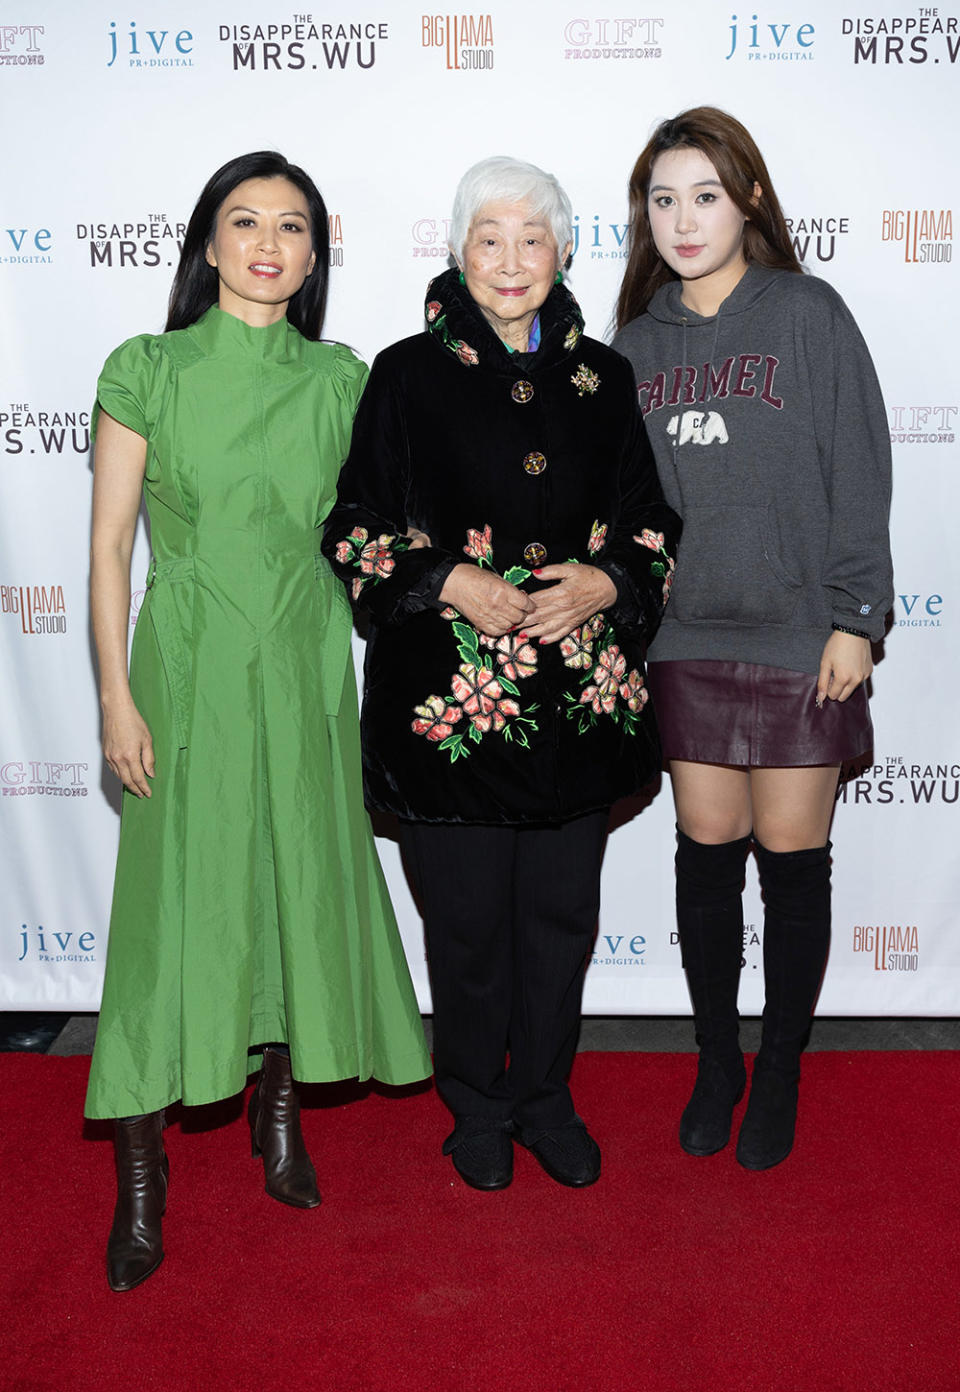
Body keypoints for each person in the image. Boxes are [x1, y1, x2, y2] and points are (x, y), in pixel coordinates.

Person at [86, 151, 430, 1291]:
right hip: (185, 665)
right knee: (170, 911)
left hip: (304, 663)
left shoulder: (343, 379)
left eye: (293, 226)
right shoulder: (148, 368)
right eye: (246, 222)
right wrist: (112, 696)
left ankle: (277, 1114)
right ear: (207, 242)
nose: (269, 243)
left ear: (317, 252)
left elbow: (384, 525)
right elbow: (106, 549)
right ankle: (142, 1179)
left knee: (293, 885)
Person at [323, 156, 680, 1192]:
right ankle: (475, 1105)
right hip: (451, 720)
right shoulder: (403, 374)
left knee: (563, 920)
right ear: (458, 253)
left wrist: (609, 584)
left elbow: (655, 521)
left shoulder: (605, 379)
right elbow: (353, 526)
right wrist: (447, 581)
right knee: (469, 925)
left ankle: (546, 1097)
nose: (512, 259)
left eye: (534, 237)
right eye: (490, 237)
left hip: (578, 708)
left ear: (566, 250)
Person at [612, 108, 893, 1170]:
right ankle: (718, 1061)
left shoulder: (808, 315)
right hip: (686, 640)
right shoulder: (634, 344)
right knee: (705, 862)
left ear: (751, 201)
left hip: (797, 638)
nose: (684, 220)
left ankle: (780, 1067)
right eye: (663, 199)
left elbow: (860, 470)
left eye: (706, 196)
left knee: (792, 862)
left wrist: (855, 617)